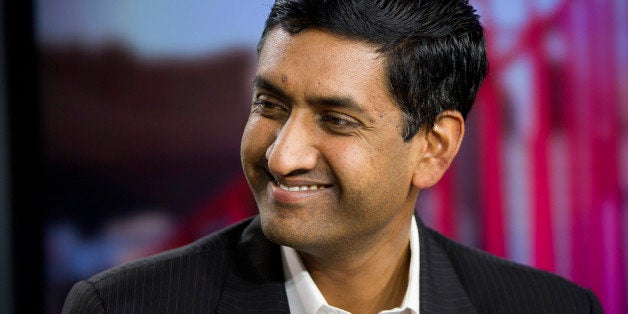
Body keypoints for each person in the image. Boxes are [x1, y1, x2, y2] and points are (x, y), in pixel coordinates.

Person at [62, 0, 603, 313]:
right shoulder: (123, 308)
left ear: (433, 148)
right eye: (269, 104)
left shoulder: (551, 308)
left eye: (337, 120)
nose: (282, 155)